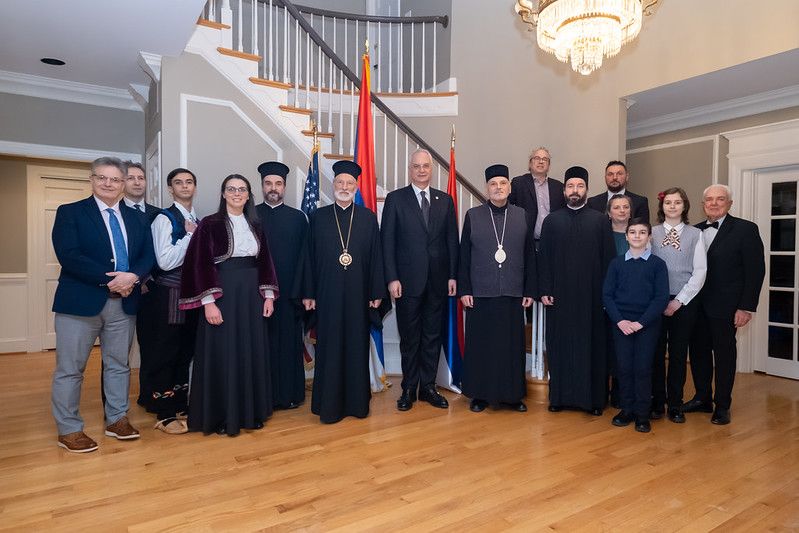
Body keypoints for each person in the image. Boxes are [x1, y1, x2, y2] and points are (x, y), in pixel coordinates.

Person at [51, 157, 155, 453]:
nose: (108, 184)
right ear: (92, 179)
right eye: (102, 178)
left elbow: (148, 255)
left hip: (124, 304)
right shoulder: (70, 212)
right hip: (80, 303)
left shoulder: (137, 218)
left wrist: (133, 276)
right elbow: (69, 255)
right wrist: (111, 280)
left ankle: (117, 419)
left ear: (123, 184)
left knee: (119, 365)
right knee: (70, 369)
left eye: (115, 179)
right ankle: (69, 429)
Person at [179, 174, 279, 436]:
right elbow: (199, 264)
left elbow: (266, 261)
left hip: (251, 296)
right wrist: (209, 303)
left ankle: (250, 412)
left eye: (242, 189)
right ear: (223, 193)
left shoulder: (256, 224)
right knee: (223, 352)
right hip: (222, 294)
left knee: (250, 351)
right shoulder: (209, 224)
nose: (237, 193)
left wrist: (269, 295)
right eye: (231, 189)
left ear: (248, 195)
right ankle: (222, 416)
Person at [302, 160, 386, 424]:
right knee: (329, 347)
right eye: (340, 182)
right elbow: (308, 258)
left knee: (356, 346)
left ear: (356, 187)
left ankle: (357, 405)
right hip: (327, 294)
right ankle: (328, 405)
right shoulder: (318, 218)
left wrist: (376, 291)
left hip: (359, 295)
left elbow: (377, 257)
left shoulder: (368, 218)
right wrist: (309, 293)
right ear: (333, 184)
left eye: (350, 183)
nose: (345, 187)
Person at [381, 149, 458, 411]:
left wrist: (452, 275)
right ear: (410, 169)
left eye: (426, 166)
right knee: (410, 338)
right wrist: (392, 278)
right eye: (417, 166)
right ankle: (408, 389)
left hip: (438, 281)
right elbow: (387, 242)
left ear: (431, 169)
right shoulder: (395, 199)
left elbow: (452, 241)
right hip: (406, 283)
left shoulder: (445, 200)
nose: (421, 170)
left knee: (432, 337)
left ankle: (428, 388)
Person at [538, 165, 616, 416]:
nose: (575, 190)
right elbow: (544, 258)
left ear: (586, 190)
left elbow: (609, 260)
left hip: (592, 298)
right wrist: (545, 288)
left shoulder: (600, 221)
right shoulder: (552, 221)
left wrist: (607, 295)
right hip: (559, 296)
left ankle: (593, 400)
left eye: (579, 186)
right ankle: (559, 397)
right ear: (564, 191)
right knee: (559, 345)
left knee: (592, 346)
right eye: (570, 186)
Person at [684, 184, 765, 425]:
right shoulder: (695, 231)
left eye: (720, 199)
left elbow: (755, 271)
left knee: (724, 356)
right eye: (709, 200)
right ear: (703, 205)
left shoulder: (746, 230)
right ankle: (702, 398)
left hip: (727, 307)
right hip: (696, 306)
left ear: (729, 203)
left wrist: (746, 307)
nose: (714, 203)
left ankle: (722, 405)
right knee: (698, 353)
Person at [459, 164, 536, 413]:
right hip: (481, 292)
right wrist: (465, 289)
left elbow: (529, 255)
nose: (498, 188)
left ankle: (512, 396)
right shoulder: (473, 215)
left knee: (510, 347)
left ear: (509, 187)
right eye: (493, 184)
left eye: (503, 183)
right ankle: (480, 395)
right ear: (487, 188)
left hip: (513, 291)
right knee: (482, 345)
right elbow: (464, 255)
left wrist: (529, 290)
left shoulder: (522, 215)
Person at [143, 168, 200, 434]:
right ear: (170, 189)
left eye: (189, 182)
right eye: (179, 182)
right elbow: (165, 261)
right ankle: (164, 413)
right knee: (165, 352)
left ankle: (180, 405)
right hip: (168, 295)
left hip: (191, 295)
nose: (185, 186)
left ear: (194, 187)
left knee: (184, 352)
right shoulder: (164, 219)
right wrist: (189, 236)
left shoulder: (196, 219)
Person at [603, 218, 669, 432]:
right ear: (626, 236)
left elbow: (661, 298)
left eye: (642, 232)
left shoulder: (658, 265)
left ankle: (642, 414)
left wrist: (641, 323)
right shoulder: (616, 264)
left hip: (647, 325)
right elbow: (607, 295)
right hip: (621, 324)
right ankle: (627, 409)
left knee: (642, 368)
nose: (637, 236)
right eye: (633, 232)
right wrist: (620, 321)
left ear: (649, 237)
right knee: (624, 368)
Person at [255, 161, 309, 410]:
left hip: (289, 294)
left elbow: (305, 258)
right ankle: (262, 396)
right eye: (268, 183)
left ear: (285, 187)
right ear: (262, 186)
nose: (273, 188)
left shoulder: (298, 218)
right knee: (261, 345)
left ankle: (289, 395)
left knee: (288, 344)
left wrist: (301, 292)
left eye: (278, 183)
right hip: (257, 294)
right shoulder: (250, 215)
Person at [649, 188, 707, 423]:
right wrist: (658, 299)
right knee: (655, 353)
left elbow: (700, 271)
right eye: (668, 202)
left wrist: (678, 301)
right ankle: (656, 403)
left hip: (684, 301)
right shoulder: (651, 233)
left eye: (677, 202)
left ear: (685, 206)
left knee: (678, 354)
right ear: (662, 207)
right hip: (655, 300)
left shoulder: (695, 234)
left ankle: (674, 404)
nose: (672, 206)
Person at [121, 161, 159, 408]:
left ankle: (149, 395)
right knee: (117, 355)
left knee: (151, 347)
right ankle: (115, 410)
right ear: (122, 182)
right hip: (119, 291)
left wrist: (145, 279)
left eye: (141, 178)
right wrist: (132, 279)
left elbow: (158, 254)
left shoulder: (158, 214)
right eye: (131, 178)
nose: (137, 182)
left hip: (151, 292)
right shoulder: (114, 212)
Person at [508, 147, 566, 245]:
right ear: (530, 163)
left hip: (553, 242)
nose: (541, 161)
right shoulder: (518, 183)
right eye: (537, 158)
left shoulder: (558, 186)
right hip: (526, 242)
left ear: (549, 165)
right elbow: (507, 207)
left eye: (545, 159)